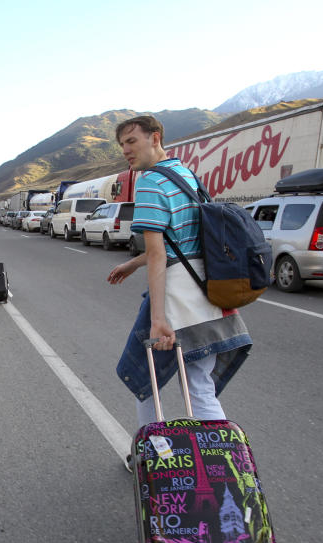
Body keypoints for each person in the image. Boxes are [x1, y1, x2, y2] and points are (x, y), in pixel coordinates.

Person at [107, 115, 251, 426]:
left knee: (145, 381)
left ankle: (152, 452)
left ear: (154, 137)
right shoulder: (186, 176)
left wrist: (158, 319)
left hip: (177, 298)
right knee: (200, 386)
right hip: (207, 291)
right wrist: (133, 263)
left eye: (132, 141)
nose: (125, 150)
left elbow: (160, 253)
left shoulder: (149, 181)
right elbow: (184, 242)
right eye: (122, 145)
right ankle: (227, 466)